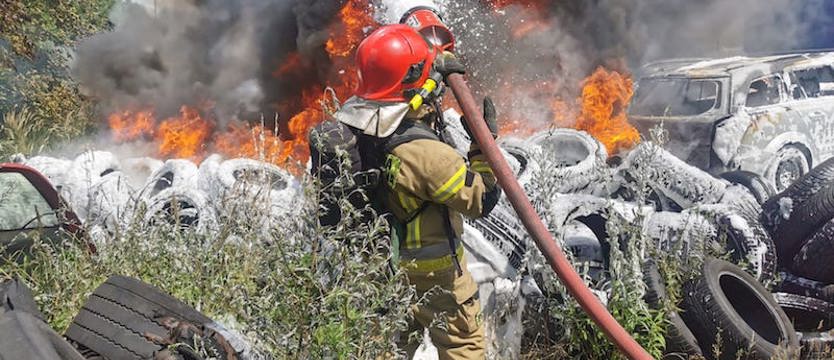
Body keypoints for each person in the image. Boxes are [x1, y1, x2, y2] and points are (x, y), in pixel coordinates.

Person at [314, 24, 502, 359]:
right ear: (414, 82)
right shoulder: (426, 156)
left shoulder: (355, 124)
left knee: (383, 348)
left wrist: (430, 70)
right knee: (462, 346)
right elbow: (482, 200)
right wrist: (482, 147)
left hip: (378, 271)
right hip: (435, 274)